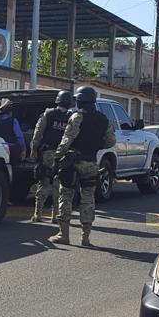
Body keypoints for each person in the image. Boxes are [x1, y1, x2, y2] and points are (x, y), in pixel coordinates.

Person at [50, 86, 115, 247]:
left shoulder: (77, 117)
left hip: (73, 161)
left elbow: (67, 140)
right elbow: (110, 142)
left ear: (79, 101)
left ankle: (63, 234)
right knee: (88, 198)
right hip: (91, 162)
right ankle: (85, 237)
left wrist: (57, 157)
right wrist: (95, 145)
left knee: (65, 195)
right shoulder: (103, 118)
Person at [29, 90, 73, 223]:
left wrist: (33, 148)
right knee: (58, 186)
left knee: (44, 182)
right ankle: (55, 215)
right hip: (64, 155)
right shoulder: (72, 117)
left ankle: (38, 214)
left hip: (47, 153)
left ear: (57, 101)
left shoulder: (48, 114)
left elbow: (38, 132)